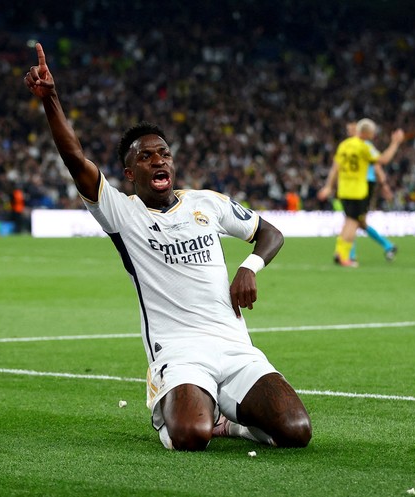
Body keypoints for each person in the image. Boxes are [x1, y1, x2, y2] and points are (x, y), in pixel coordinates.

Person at [25, 43, 311, 451]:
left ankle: (231, 424)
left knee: (297, 431)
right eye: (146, 157)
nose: (159, 161)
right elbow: (75, 159)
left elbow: (271, 234)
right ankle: (184, 408)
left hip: (234, 347)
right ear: (129, 172)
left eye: (165, 154)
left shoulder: (206, 203)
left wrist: (249, 266)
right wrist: (51, 98)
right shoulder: (122, 214)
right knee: (190, 437)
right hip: (177, 353)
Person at [317, 119, 405, 267]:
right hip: (358, 191)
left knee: (350, 222)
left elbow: (335, 167)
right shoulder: (365, 147)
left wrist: (328, 187)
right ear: (366, 133)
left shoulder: (343, 145)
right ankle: (346, 257)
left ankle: (341, 253)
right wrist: (395, 143)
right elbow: (382, 160)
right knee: (354, 223)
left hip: (344, 189)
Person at [343, 122, 398, 263]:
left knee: (353, 220)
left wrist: (384, 185)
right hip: (358, 185)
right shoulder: (351, 146)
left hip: (365, 185)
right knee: (358, 221)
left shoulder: (363, 146)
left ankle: (349, 255)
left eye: (351, 129)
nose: (349, 131)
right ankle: (387, 245)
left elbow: (378, 165)